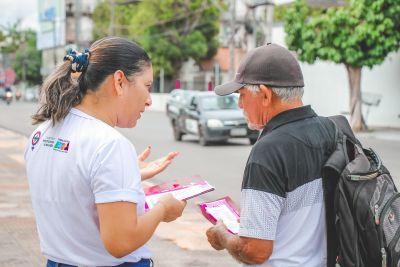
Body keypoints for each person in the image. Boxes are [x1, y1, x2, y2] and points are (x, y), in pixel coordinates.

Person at [24, 36, 187, 267]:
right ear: (119, 81)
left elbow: (71, 186)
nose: (149, 100)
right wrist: (163, 209)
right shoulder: (110, 145)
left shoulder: (42, 133)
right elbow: (121, 242)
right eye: (147, 86)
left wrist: (129, 176)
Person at [206, 43, 336, 266]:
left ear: (265, 95)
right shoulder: (331, 129)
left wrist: (222, 236)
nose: (239, 104)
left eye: (242, 94)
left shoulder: (267, 151)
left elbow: (255, 251)